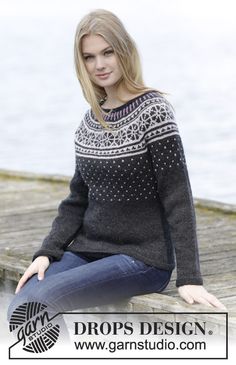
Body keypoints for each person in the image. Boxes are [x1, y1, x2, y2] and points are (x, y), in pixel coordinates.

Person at [7, 9, 226, 323]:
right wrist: (47, 252)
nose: (99, 64)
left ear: (124, 50)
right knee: (22, 300)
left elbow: (177, 197)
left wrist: (190, 276)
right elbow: (76, 201)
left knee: (39, 301)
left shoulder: (154, 111)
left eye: (107, 52)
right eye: (89, 56)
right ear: (80, 63)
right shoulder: (89, 123)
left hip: (142, 259)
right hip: (88, 251)